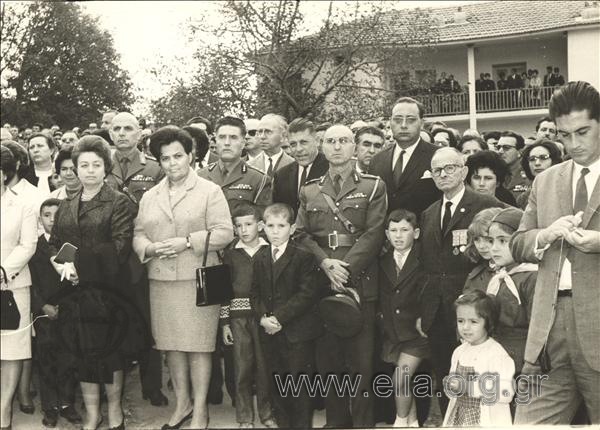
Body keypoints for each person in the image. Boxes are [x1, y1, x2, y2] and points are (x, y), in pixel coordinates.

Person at [133, 126, 234, 429]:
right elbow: (138, 233)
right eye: (165, 158)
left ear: (191, 156)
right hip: (162, 281)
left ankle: (200, 409)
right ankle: (183, 404)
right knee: (172, 347)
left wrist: (188, 242)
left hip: (199, 279)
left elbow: (225, 232)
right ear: (159, 161)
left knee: (199, 347)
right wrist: (149, 248)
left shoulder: (209, 190)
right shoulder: (151, 196)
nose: (172, 163)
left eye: (178, 156)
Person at [511, 81, 600, 424]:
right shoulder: (544, 181)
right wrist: (545, 235)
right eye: (564, 135)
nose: (574, 144)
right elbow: (518, 244)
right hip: (547, 332)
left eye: (583, 132)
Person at [48, 135, 148, 430]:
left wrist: (80, 266)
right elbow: (54, 243)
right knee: (81, 354)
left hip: (108, 293)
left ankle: (115, 411)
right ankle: (93, 414)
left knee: (110, 355)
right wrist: (60, 265)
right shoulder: (65, 203)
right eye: (83, 165)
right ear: (75, 169)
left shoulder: (119, 201)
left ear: (106, 168)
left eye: (96, 165)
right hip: (74, 292)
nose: (89, 170)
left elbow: (119, 246)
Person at [295, 124, 387, 427]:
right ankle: (336, 423)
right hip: (323, 282)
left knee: (361, 365)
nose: (337, 147)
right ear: (322, 147)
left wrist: (344, 269)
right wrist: (325, 264)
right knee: (329, 364)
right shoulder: (309, 189)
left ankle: (362, 424)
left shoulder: (373, 186)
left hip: (359, 281)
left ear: (355, 147)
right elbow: (302, 235)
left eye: (344, 141)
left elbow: (374, 234)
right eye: (331, 141)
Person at [418, 147, 504, 416]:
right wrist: (424, 310)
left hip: (475, 308)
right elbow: (426, 265)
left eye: (450, 168)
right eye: (437, 170)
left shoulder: (487, 205)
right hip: (437, 311)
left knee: (481, 378)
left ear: (464, 171)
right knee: (447, 376)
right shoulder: (429, 212)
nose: (443, 174)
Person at [105, 112, 168, 407]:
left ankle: (152, 385)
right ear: (109, 132)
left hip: (141, 255)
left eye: (128, 128)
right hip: (109, 256)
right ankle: (109, 388)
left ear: (140, 133)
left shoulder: (155, 170)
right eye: (116, 128)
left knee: (147, 320)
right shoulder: (101, 166)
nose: (121, 133)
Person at [250, 203, 322, 428]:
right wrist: (262, 317)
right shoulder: (260, 256)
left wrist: (278, 318)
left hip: (296, 333)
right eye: (270, 226)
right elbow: (254, 293)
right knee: (277, 385)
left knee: (299, 389)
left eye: (281, 226)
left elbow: (306, 295)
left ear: (292, 229)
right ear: (263, 227)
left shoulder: (304, 256)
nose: (275, 231)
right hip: (270, 332)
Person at [220, 203, 276, 428]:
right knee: (242, 368)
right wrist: (225, 323)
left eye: (249, 224)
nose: (243, 230)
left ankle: (267, 414)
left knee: (265, 368)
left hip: (264, 318)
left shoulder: (269, 250)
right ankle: (244, 418)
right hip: (238, 318)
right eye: (238, 226)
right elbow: (224, 291)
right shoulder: (231, 254)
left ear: (260, 225)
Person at [29, 198, 81, 428]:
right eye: (47, 215)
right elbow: (30, 282)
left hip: (68, 309)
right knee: (46, 358)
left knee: (68, 356)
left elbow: (75, 280)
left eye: (56, 215)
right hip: (44, 311)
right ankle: (49, 406)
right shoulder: (35, 245)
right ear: (40, 219)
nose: (52, 219)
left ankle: (67, 404)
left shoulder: (70, 245)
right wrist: (42, 306)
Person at [377, 209, 429, 428]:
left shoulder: (425, 258)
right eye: (393, 230)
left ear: (416, 233)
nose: (398, 236)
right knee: (404, 382)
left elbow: (432, 292)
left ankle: (399, 423)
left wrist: (424, 318)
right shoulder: (382, 260)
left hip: (416, 332)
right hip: (393, 332)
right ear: (387, 234)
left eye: (404, 230)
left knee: (400, 379)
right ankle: (413, 422)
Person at [0, 146, 38, 430]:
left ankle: (4, 411)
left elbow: (28, 244)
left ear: (3, 175)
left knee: (12, 349)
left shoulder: (23, 205)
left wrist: (3, 271)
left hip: (12, 286)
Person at [443, 291, 515, 427]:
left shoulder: (496, 354)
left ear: (488, 322)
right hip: (460, 417)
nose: (465, 327)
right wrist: (451, 387)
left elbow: (506, 392)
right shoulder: (459, 351)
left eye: (473, 322)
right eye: (460, 321)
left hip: (485, 420)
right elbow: (454, 390)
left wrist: (469, 387)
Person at [482, 208, 537, 374]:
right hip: (497, 354)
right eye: (491, 241)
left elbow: (536, 326)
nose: (494, 248)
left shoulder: (531, 277)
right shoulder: (498, 277)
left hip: (522, 358)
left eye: (503, 241)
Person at [369, 97, 441, 215]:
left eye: (411, 120)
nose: (403, 125)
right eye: (397, 120)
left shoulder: (438, 156)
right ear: (390, 122)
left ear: (421, 123)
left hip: (426, 231)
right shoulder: (377, 160)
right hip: (387, 231)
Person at [198, 116, 272, 214]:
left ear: (243, 143)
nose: (227, 143)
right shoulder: (200, 176)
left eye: (233, 137)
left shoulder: (259, 180)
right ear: (215, 141)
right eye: (222, 137)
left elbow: (262, 221)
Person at [272, 118, 328, 217]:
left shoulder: (331, 169)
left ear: (317, 141)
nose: (298, 149)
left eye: (304, 142)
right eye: (293, 144)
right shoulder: (281, 175)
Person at [462, 207, 503, 294]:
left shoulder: (523, 271)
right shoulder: (476, 276)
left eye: (488, 239)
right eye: (476, 239)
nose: (481, 246)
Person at [517, 139, 563, 209]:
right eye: (532, 159)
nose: (537, 163)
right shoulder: (524, 198)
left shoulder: (565, 189)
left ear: (554, 160)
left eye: (543, 158)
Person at [496, 131, 530, 201]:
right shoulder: (495, 173)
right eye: (498, 147)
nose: (500, 151)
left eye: (506, 148)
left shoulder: (529, 172)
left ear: (520, 151)